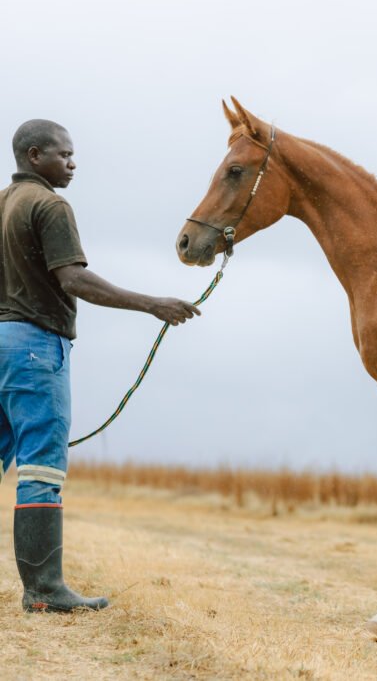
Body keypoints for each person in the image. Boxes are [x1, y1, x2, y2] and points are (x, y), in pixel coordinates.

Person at [0, 119, 199, 613]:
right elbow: (74, 280)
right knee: (42, 467)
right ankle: (44, 591)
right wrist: (153, 303)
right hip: (33, 348)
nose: (72, 163)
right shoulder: (49, 205)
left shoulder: (3, 201)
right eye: (63, 155)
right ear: (32, 154)